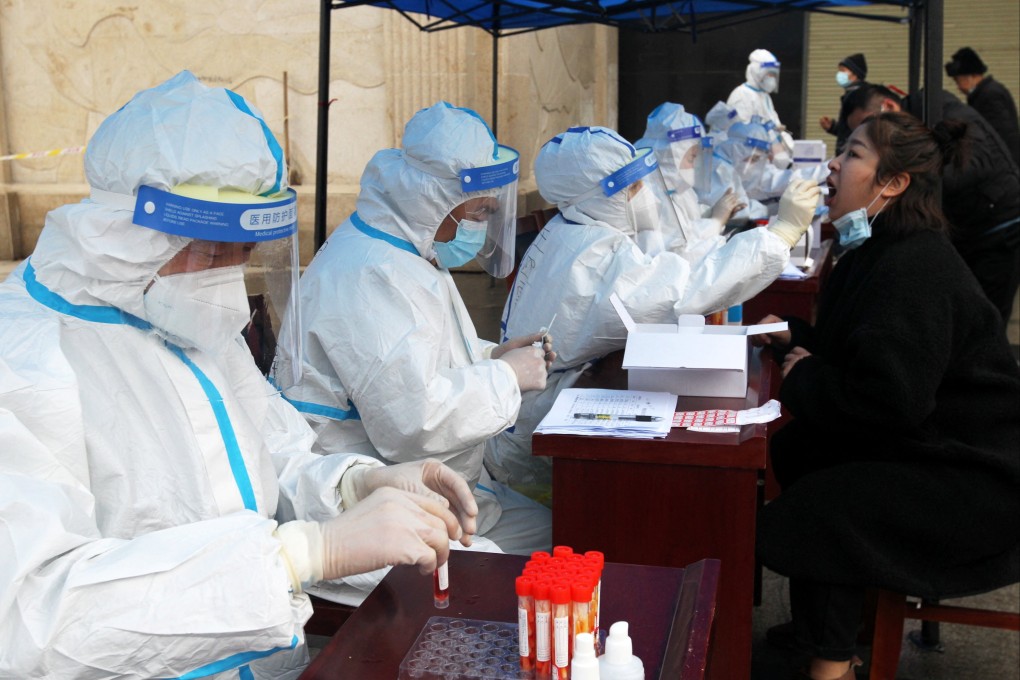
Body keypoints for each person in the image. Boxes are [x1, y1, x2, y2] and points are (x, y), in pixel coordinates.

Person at [0, 71, 480, 678]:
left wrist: (355, 485)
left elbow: (269, 455)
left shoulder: (183, 312)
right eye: (209, 249)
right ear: (126, 229)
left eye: (244, 255)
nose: (225, 282)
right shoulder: (23, 363)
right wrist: (300, 555)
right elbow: (31, 618)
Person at [753, 111, 1020, 680]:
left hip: (980, 479)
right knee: (802, 448)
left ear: (893, 183)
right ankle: (829, 632)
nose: (832, 165)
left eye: (851, 154)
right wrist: (793, 339)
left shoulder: (915, 266)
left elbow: (887, 401)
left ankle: (832, 665)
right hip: (932, 444)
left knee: (823, 504)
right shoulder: (874, 250)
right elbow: (855, 356)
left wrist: (804, 375)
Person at [273, 102, 553, 567]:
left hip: (435, 485)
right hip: (370, 495)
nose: (481, 225)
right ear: (434, 197)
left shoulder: (407, 249)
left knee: (557, 533)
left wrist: (494, 353)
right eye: (478, 211)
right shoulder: (370, 273)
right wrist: (505, 375)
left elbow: (428, 353)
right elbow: (414, 423)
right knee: (510, 576)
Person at [483, 125, 820, 491]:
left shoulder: (576, 231)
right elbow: (684, 290)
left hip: (546, 411)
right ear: (601, 195)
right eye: (633, 185)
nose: (644, 194)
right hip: (544, 442)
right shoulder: (591, 255)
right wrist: (780, 234)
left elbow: (662, 273)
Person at [844, 83, 1020, 327]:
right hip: (972, 226)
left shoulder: (939, 109)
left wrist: (912, 178)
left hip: (998, 225)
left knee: (984, 321)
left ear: (889, 106)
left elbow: (978, 162)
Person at [634, 102, 745, 261]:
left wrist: (717, 211)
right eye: (692, 157)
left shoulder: (679, 191)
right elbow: (680, 255)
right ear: (669, 156)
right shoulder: (649, 197)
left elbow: (688, 227)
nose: (696, 166)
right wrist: (716, 221)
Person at [945, 46, 1020, 166]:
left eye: (958, 81)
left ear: (971, 76)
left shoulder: (989, 95)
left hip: (1004, 163)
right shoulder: (986, 92)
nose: (958, 87)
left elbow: (998, 133)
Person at [727, 48, 795, 165]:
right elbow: (739, 132)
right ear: (756, 72)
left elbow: (773, 124)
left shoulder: (765, 96)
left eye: (774, 75)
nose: (772, 78)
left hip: (767, 160)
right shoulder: (741, 95)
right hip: (748, 161)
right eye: (769, 74)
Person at [819, 53, 868, 155]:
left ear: (854, 75)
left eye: (842, 71)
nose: (839, 74)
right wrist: (833, 127)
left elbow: (860, 130)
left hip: (852, 156)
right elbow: (848, 130)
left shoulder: (860, 97)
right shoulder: (850, 95)